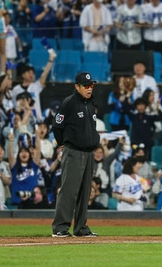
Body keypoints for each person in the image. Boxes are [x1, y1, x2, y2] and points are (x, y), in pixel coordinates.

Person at [51, 72, 100, 238]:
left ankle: (81, 228)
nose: (89, 88)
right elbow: (57, 125)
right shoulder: (69, 103)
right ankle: (60, 227)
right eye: (85, 86)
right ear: (76, 87)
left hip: (88, 153)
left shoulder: (90, 103)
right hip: (74, 152)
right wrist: (63, 143)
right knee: (69, 191)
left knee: (85, 193)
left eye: (90, 85)